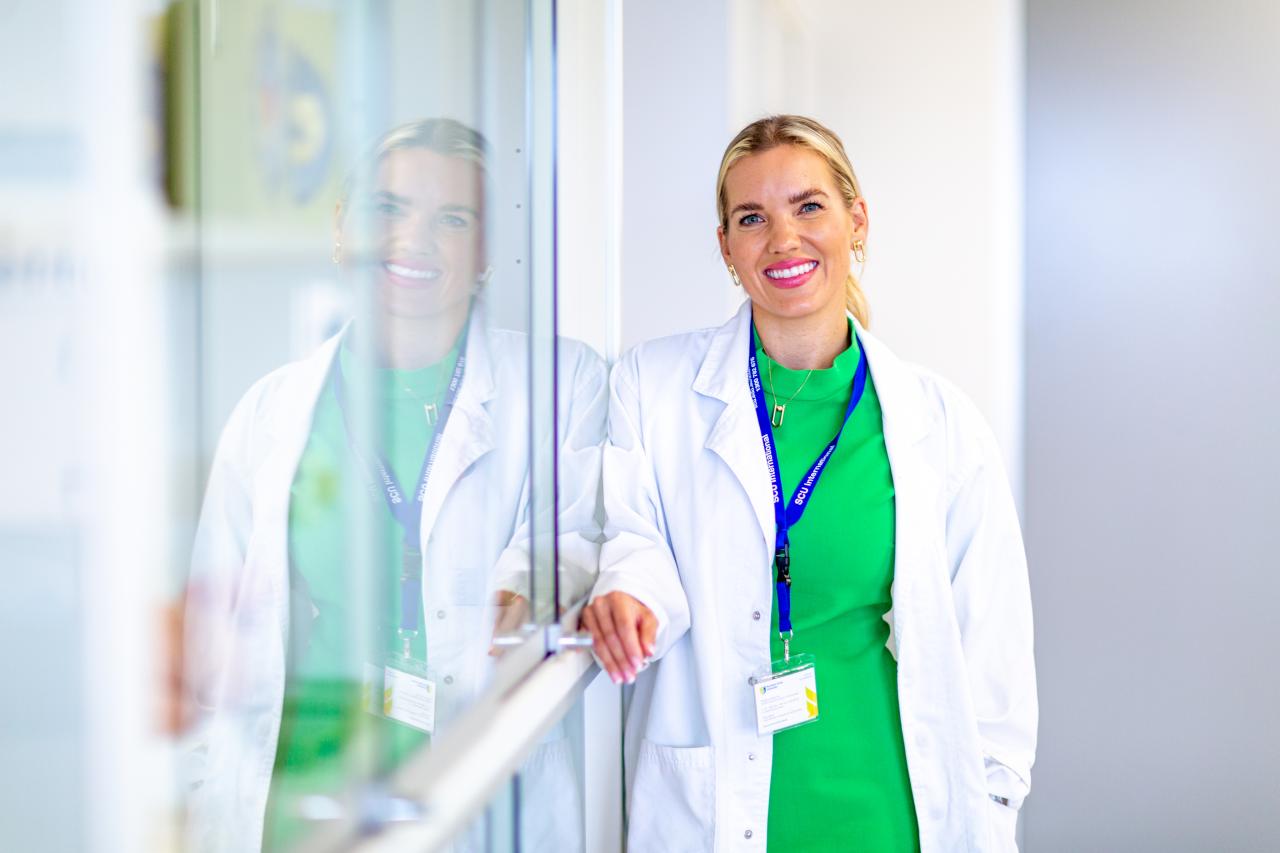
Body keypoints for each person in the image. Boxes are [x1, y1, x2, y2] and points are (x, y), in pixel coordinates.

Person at [582, 114, 1037, 852]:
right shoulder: (651, 387)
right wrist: (627, 589)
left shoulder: (939, 424)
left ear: (857, 221)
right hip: (714, 809)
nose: (783, 239)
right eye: (752, 217)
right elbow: (627, 536)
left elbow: (995, 656)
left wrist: (987, 811)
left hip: (887, 810)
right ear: (726, 246)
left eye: (809, 207)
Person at [183, 118, 605, 852]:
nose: (415, 238)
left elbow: (578, 538)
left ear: (483, 253)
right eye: (389, 209)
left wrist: (530, 584)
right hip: (305, 795)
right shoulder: (272, 412)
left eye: (452, 219)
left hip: (479, 799)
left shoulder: (560, 384)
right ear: (343, 228)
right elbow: (212, 640)